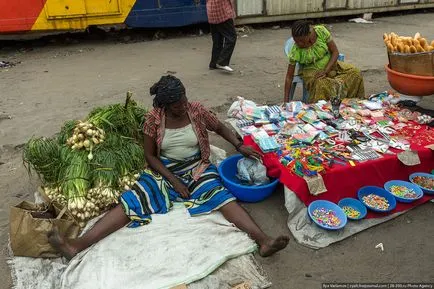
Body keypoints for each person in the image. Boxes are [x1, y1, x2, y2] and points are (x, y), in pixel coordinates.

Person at [48, 75, 290, 260]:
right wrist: (173, 180)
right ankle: (77, 245)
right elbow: (150, 156)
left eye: (184, 99)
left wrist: (239, 145)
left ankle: (263, 240)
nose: (183, 105)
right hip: (165, 168)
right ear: (164, 105)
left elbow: (219, 127)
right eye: (176, 104)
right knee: (135, 198)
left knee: (221, 196)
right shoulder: (153, 119)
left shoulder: (196, 110)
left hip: (197, 165)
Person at [284, 20, 365, 103]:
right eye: (296, 41)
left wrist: (326, 70)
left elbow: (335, 52)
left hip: (332, 66)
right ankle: (325, 109)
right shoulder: (295, 51)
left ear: (308, 34)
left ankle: (350, 104)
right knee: (321, 84)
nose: (298, 44)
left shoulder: (321, 32)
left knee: (355, 73)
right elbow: (289, 77)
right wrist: (286, 102)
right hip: (312, 72)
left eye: (301, 41)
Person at [206, 0, 237, 72]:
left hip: (212, 12)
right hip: (222, 13)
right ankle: (222, 62)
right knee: (231, 37)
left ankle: (213, 63)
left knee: (217, 40)